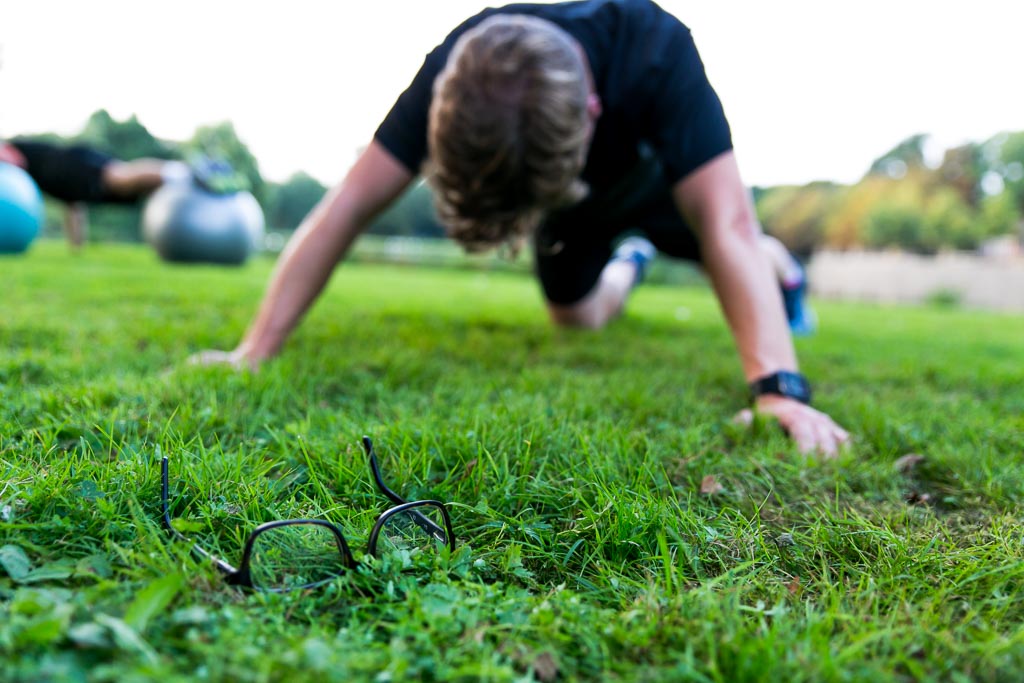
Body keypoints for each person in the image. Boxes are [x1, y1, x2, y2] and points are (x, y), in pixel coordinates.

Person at [196, 0, 848, 455]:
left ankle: (777, 263)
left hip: (663, 191)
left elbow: (726, 223)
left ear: (594, 109)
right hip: (571, 204)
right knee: (577, 321)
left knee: (738, 250)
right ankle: (633, 263)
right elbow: (345, 208)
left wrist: (778, 391)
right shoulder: (457, 66)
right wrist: (255, 350)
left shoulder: (655, 47)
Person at [0, 138, 232, 249]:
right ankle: (183, 176)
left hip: (70, 164)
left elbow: (12, 159)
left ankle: (187, 171)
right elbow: (73, 208)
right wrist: (76, 249)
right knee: (123, 190)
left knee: (118, 177)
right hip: (66, 181)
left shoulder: (10, 149)